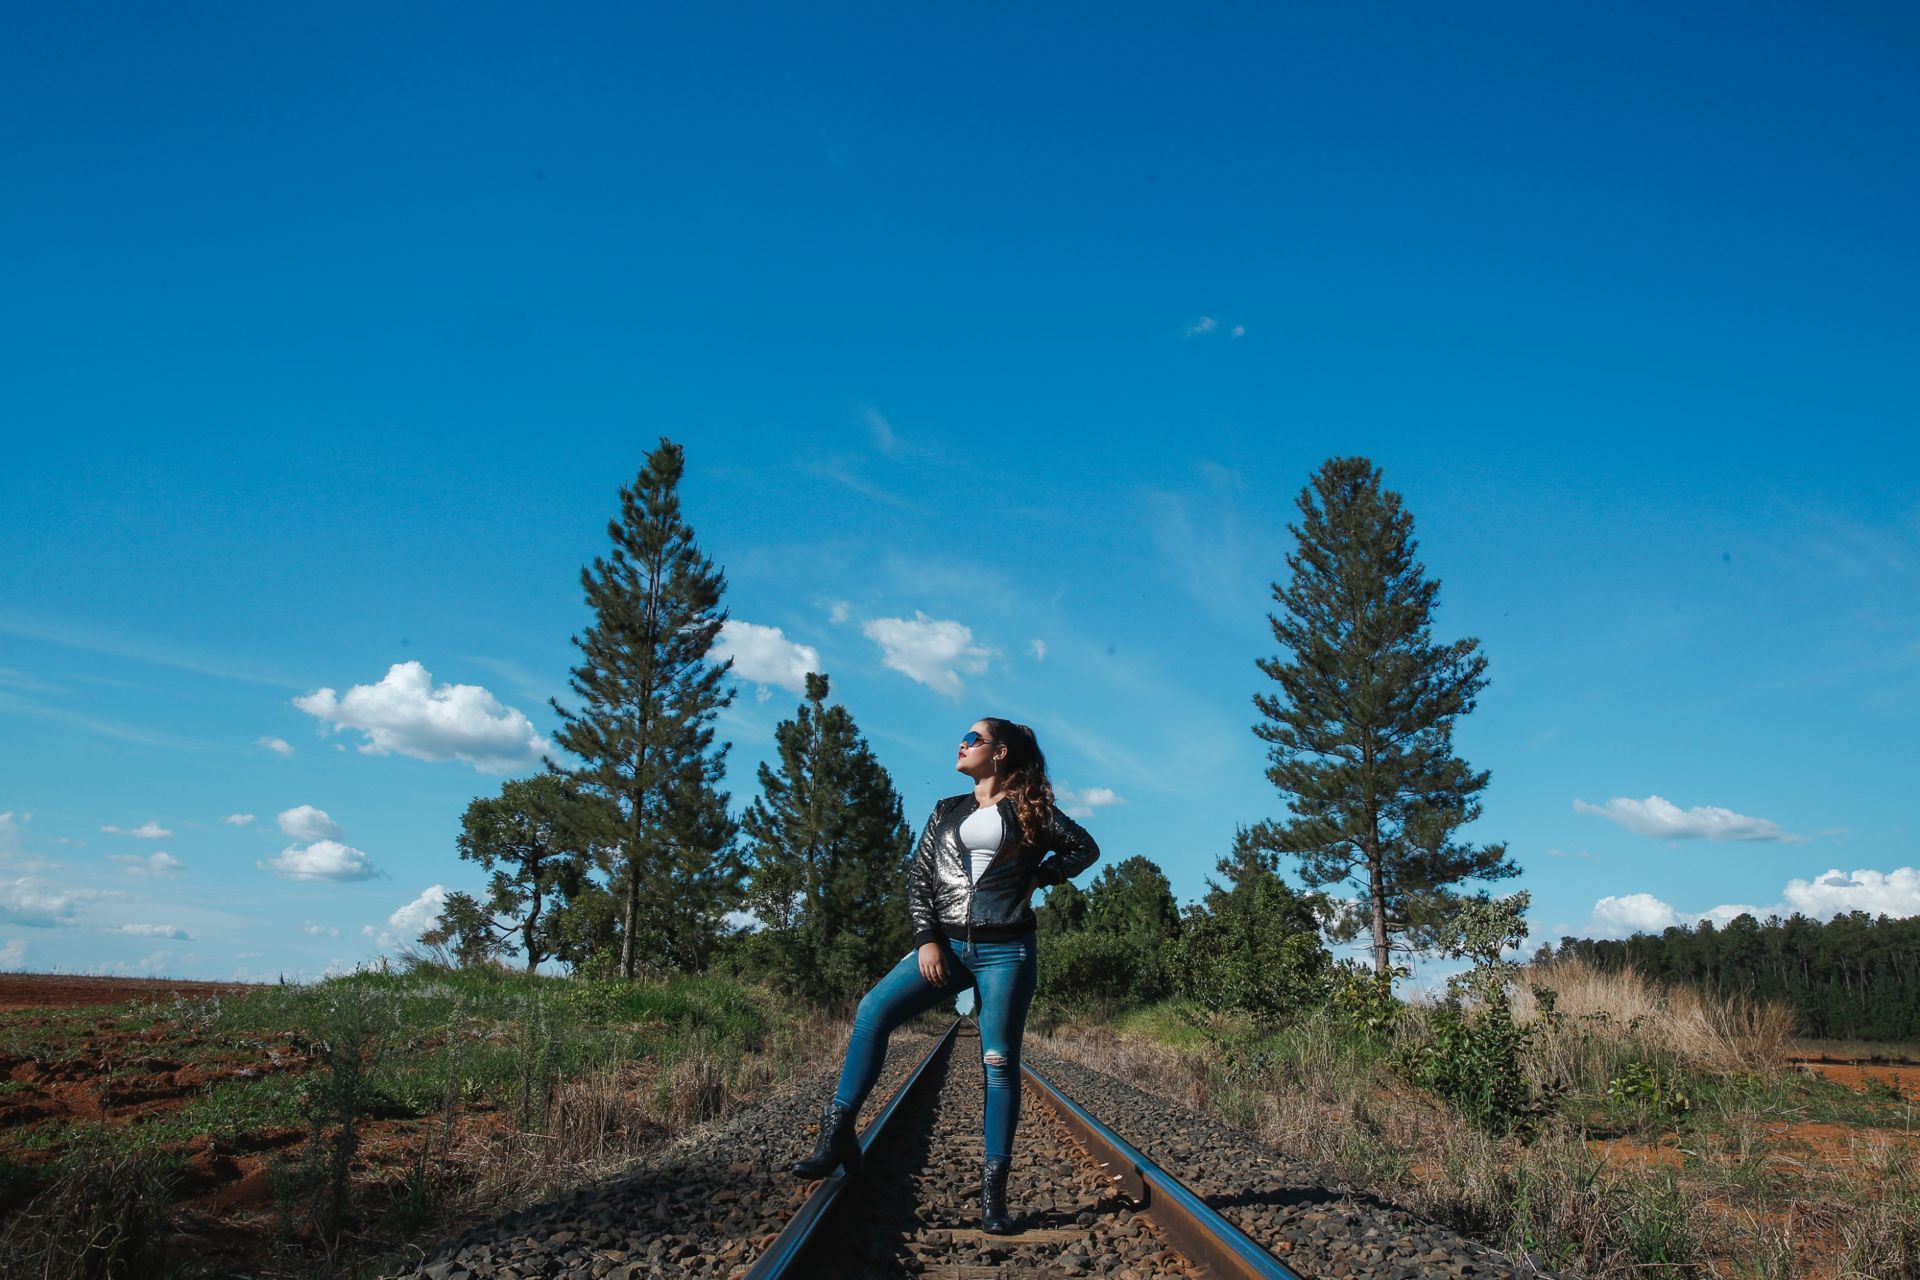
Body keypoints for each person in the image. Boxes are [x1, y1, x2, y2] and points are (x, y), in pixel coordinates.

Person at [791, 717, 1101, 1233]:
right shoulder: (946, 810)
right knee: (873, 1010)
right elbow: (919, 878)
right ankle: (837, 1131)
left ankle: (993, 1196)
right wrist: (927, 940)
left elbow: (1084, 848)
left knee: (998, 1061)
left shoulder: (1032, 808)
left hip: (1006, 951)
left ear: (1000, 752)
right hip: (947, 945)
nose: (963, 743)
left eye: (974, 738)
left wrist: (1039, 877)